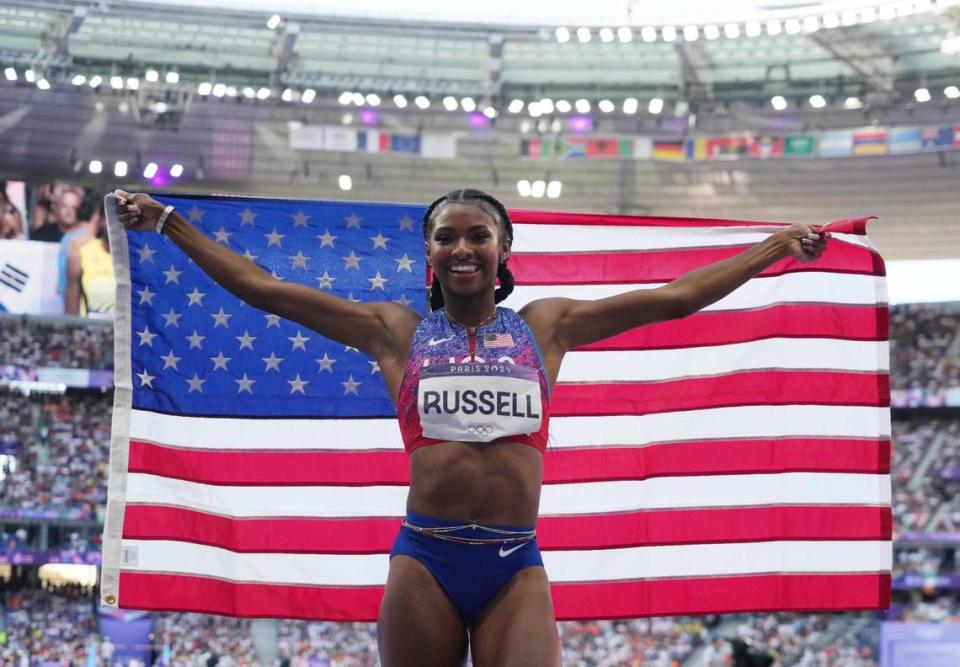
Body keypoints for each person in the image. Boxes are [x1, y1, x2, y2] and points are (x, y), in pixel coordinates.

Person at [114, 188, 828, 667]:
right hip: (425, 557)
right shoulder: (394, 331)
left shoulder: (549, 327)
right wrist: (169, 223)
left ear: (503, 247)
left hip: (515, 562)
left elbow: (674, 299)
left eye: (477, 235)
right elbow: (264, 289)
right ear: (428, 254)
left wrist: (776, 246)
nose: (462, 248)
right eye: (446, 237)